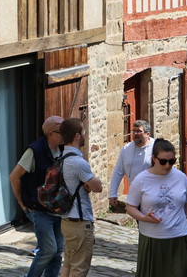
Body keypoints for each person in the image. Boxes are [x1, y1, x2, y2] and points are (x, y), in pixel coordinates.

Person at [125, 138, 187, 277]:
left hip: (179, 237)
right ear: (154, 158)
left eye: (172, 162)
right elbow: (130, 206)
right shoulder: (141, 179)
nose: (167, 166)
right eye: (163, 161)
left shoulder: (181, 177)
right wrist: (143, 217)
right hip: (152, 239)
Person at [9, 116, 65, 277]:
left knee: (58, 252)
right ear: (50, 133)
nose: (64, 134)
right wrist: (21, 201)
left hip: (58, 209)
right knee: (48, 250)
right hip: (39, 209)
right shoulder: (34, 151)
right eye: (60, 131)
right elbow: (14, 176)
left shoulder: (64, 149)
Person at [59, 118, 102, 277]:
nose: (85, 134)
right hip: (80, 222)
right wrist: (93, 181)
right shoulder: (78, 162)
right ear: (77, 136)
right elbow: (97, 187)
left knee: (68, 265)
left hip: (67, 221)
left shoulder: (61, 159)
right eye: (83, 132)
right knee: (79, 269)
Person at [108, 120, 153, 208]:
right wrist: (112, 193)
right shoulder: (126, 149)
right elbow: (118, 172)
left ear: (147, 134)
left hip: (152, 196)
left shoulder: (155, 148)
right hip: (135, 197)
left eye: (139, 131)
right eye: (134, 131)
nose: (135, 134)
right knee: (140, 221)